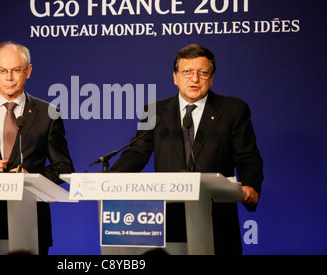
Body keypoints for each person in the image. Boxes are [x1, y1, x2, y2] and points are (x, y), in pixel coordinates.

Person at [109, 44, 263, 254]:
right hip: (168, 218)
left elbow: (248, 156)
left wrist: (250, 184)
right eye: (187, 72)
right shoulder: (155, 111)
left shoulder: (233, 110)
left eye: (202, 73)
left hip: (216, 217)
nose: (195, 79)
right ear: (175, 77)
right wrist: (109, 181)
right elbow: (137, 152)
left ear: (211, 78)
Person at [0, 41, 74, 254]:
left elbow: (63, 167)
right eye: (3, 70)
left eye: (16, 70)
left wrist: (31, 176)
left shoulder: (48, 113)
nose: (9, 77)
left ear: (28, 71)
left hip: (30, 221)